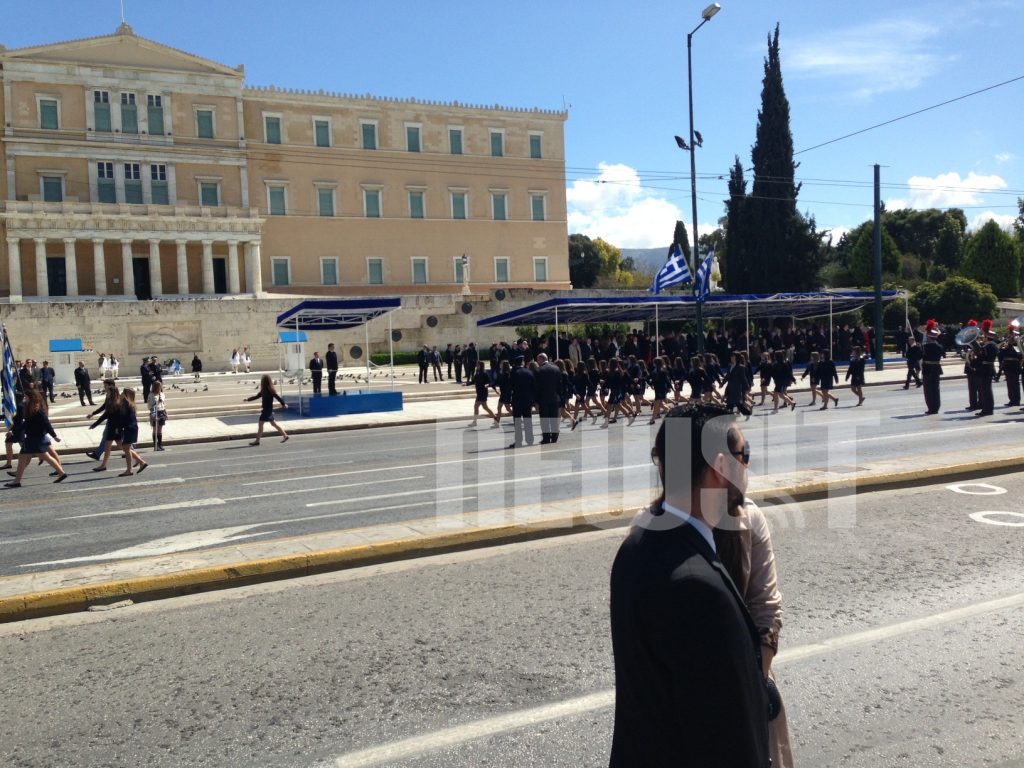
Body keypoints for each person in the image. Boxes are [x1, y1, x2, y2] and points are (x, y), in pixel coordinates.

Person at [609, 402, 770, 766]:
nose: (749, 466)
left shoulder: (635, 547)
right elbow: (727, 736)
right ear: (719, 468)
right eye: (744, 455)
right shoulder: (699, 589)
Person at [714, 497, 795, 768]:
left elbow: (767, 611)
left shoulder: (747, 517)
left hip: (749, 683)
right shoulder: (652, 529)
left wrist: (750, 693)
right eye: (740, 454)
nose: (745, 464)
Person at [3, 390, 66, 487]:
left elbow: (47, 424)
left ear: (31, 398)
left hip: (34, 439)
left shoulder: (38, 411)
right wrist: (13, 431)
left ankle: (17, 481)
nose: (25, 399)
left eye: (26, 397)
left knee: (31, 457)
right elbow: (25, 424)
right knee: (40, 457)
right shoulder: (31, 409)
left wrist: (54, 436)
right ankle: (61, 473)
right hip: (33, 438)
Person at [109, 388, 148, 476]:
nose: (121, 393)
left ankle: (130, 469)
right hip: (131, 428)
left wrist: (118, 427)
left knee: (126, 448)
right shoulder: (130, 404)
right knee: (126, 448)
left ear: (126, 395)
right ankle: (141, 462)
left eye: (123, 392)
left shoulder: (126, 404)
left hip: (129, 428)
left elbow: (123, 418)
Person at [245, 374, 289, 445]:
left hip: (267, 410)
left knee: (261, 424)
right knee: (273, 424)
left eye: (262, 380)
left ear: (264, 382)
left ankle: (257, 441)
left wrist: (283, 404)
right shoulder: (264, 390)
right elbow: (257, 396)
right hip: (267, 409)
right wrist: (248, 399)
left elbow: (278, 397)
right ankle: (285, 435)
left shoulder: (270, 390)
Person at [507, 356, 536, 449]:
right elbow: (533, 387)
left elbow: (510, 387)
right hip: (528, 400)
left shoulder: (514, 373)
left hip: (517, 400)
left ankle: (518, 441)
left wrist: (508, 400)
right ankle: (530, 439)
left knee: (518, 422)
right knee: (528, 420)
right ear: (523, 362)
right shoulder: (529, 372)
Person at [533, 353, 562, 444]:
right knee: (554, 417)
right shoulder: (556, 369)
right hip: (554, 397)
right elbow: (559, 385)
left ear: (541, 359)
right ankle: (554, 437)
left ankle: (546, 438)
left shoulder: (538, 370)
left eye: (538, 360)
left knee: (544, 419)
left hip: (543, 399)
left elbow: (536, 388)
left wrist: (535, 401)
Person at [921, 319, 944, 414]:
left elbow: (920, 356)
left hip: (927, 368)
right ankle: (936, 407)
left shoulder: (924, 347)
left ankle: (931, 407)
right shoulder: (940, 346)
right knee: (936, 388)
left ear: (929, 337)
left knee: (928, 389)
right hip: (936, 368)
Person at [467, 362, 500, 427]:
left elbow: (490, 382)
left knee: (476, 406)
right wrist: (466, 384)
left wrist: (494, 389)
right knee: (485, 407)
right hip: (479, 392)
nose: (477, 366)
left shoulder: (484, 373)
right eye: (477, 365)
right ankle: (495, 418)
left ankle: (475, 422)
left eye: (478, 365)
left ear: (481, 366)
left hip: (483, 392)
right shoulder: (477, 373)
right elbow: (473, 381)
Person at [976, 319, 998, 416]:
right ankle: (987, 408)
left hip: (986, 369)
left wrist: (977, 351)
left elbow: (983, 357)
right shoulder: (990, 345)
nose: (982, 338)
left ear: (987, 336)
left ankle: (988, 409)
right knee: (985, 390)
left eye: (984, 336)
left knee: (986, 390)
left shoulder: (989, 346)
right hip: (987, 368)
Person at [997, 326, 1022, 406]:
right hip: (1007, 366)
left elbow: (1018, 355)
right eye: (1009, 335)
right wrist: (1002, 348)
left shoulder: (1017, 345)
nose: (1009, 337)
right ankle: (1011, 400)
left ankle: (1016, 401)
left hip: (1014, 366)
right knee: (1009, 384)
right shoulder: (1006, 345)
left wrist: (1010, 346)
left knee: (1015, 384)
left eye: (1011, 336)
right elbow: (1001, 354)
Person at [147, 380, 167, 451]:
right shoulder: (151, 395)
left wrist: (165, 412)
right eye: (159, 386)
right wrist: (152, 414)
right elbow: (149, 405)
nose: (160, 387)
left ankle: (160, 445)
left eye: (161, 386)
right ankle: (155, 445)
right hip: (155, 412)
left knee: (160, 429)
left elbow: (164, 404)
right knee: (155, 429)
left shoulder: (162, 394)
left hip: (162, 412)